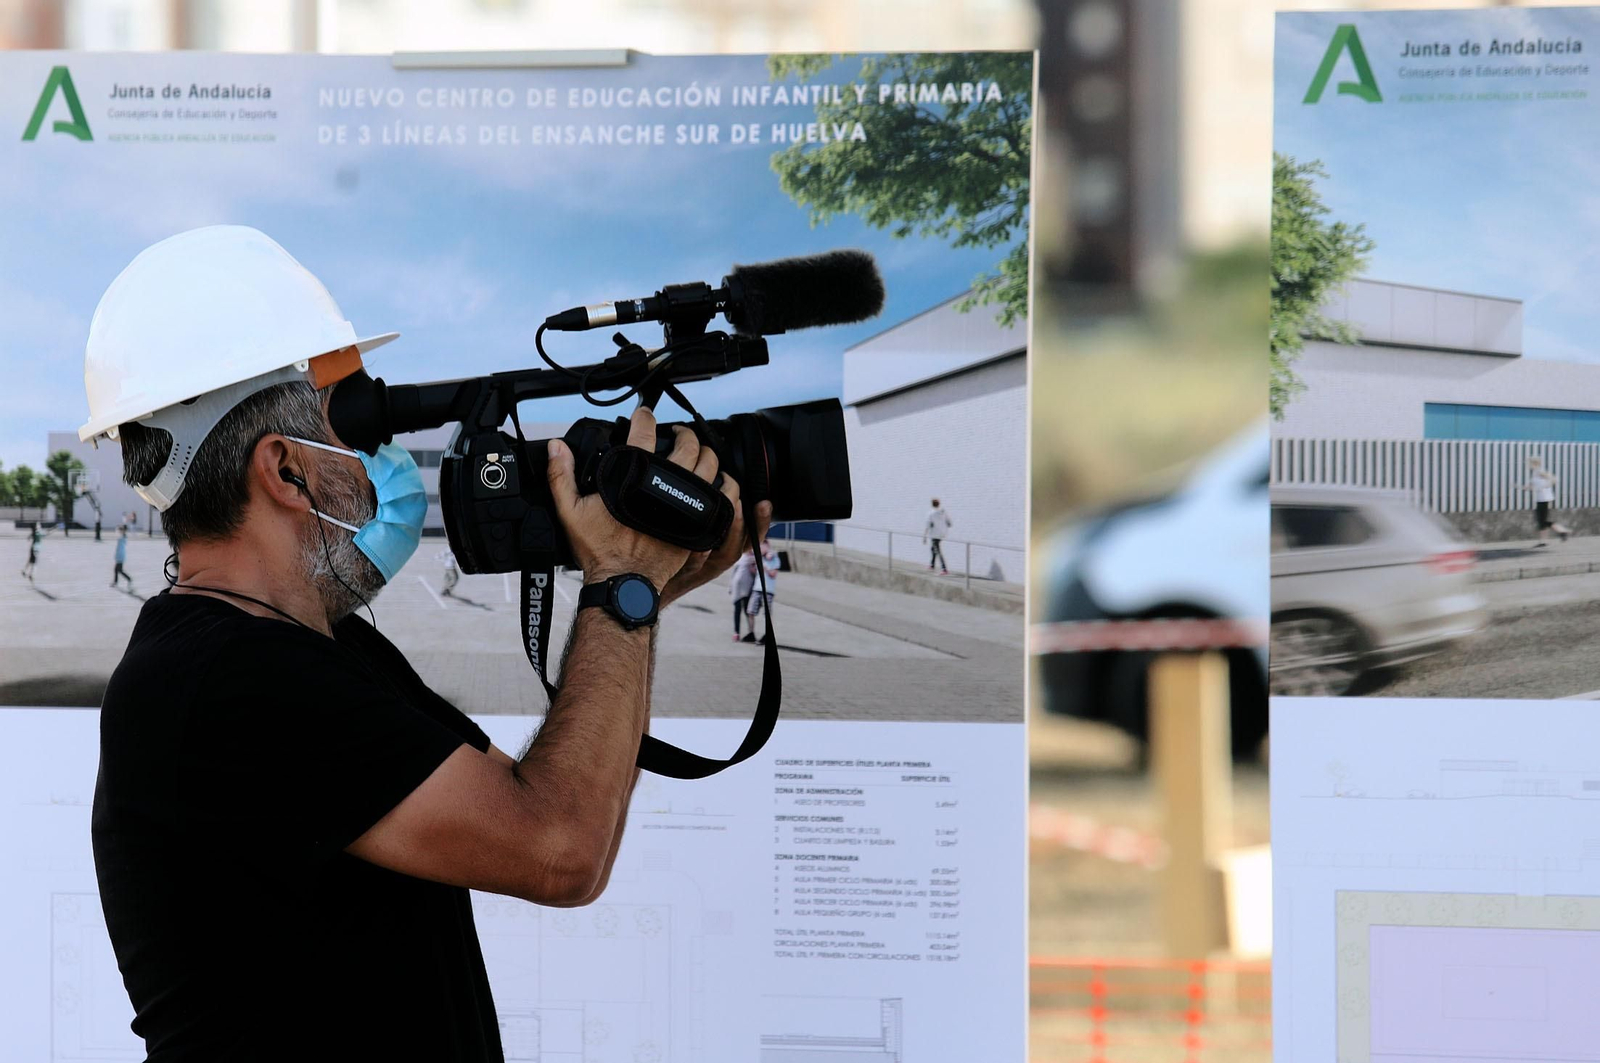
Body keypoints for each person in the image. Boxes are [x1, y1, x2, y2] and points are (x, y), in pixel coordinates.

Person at [80, 226, 767, 1062]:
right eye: (350, 424)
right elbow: (560, 846)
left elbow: (556, 800)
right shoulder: (230, 681)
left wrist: (647, 585)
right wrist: (620, 587)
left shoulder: (308, 651)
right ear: (284, 468)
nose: (372, 457)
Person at [1523, 455, 1572, 546]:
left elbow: (1554, 479)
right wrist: (1526, 488)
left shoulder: (1540, 471)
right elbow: (1532, 486)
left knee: (1542, 520)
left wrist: (1546, 486)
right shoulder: (1534, 473)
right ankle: (1544, 541)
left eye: (1529, 463)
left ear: (1534, 463)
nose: (1527, 465)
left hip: (1545, 498)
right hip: (1540, 499)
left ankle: (1562, 530)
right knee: (1541, 520)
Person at [741, 538, 780, 643]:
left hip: (768, 590)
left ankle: (768, 635)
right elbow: (754, 572)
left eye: (762, 546)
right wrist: (752, 566)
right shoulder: (760, 558)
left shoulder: (774, 558)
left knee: (767, 614)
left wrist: (765, 568)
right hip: (757, 588)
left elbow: (773, 575)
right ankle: (751, 633)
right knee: (750, 611)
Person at [729, 545, 756, 641]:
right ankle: (736, 632)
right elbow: (734, 573)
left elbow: (755, 573)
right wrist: (730, 586)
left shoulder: (754, 559)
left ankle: (751, 632)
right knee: (737, 610)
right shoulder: (740, 558)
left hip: (748, 588)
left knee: (748, 611)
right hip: (737, 587)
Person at [924, 497, 952, 575]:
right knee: (933, 548)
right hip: (942, 534)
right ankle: (932, 565)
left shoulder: (931, 513)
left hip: (934, 534)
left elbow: (928, 525)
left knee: (937, 550)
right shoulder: (943, 512)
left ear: (932, 504)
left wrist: (925, 536)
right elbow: (949, 523)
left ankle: (944, 569)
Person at [111, 525, 132, 590]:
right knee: (116, 570)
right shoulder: (122, 536)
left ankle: (128, 578)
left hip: (120, 556)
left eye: (121, 530)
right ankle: (115, 582)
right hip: (119, 556)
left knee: (119, 570)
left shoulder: (123, 537)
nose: (120, 531)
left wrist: (118, 556)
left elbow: (120, 548)